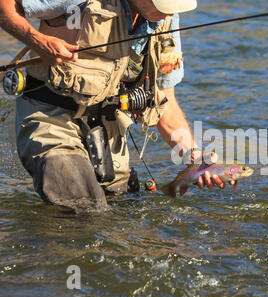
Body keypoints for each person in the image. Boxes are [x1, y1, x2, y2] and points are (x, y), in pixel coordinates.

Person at [0, 0, 236, 207]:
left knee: (120, 220)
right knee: (84, 210)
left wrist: (193, 155)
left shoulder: (166, 18)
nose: (168, 12)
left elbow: (165, 99)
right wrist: (38, 40)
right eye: (162, 4)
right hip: (51, 119)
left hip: (107, 137)